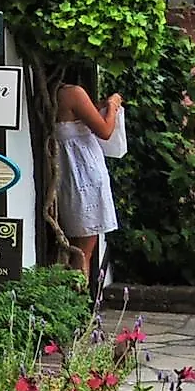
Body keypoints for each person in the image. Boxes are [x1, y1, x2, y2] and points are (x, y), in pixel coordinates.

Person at [51, 64, 121, 279]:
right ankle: (79, 295)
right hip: (85, 175)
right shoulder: (74, 93)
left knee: (74, 248)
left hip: (66, 176)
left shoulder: (54, 94)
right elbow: (105, 130)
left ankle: (72, 292)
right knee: (84, 253)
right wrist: (113, 105)